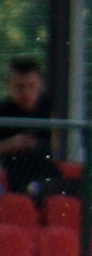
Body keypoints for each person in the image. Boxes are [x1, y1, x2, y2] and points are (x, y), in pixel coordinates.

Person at [0, 58, 62, 197]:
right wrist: (11, 144)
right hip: (21, 182)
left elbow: (54, 144)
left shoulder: (46, 107)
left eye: (31, 86)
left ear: (40, 85)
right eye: (19, 87)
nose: (26, 93)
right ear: (9, 86)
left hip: (51, 176)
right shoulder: (3, 114)